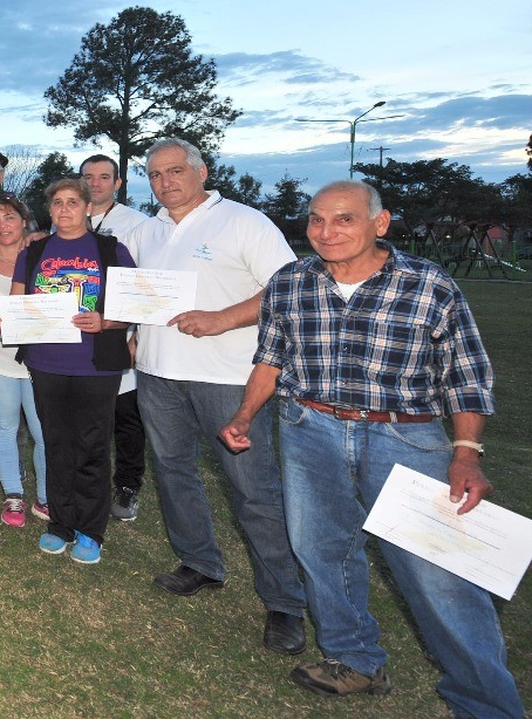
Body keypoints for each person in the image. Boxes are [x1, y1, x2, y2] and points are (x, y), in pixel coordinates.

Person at [219, 181, 523, 715]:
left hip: (404, 437)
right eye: (316, 220)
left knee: (439, 571)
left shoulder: (427, 284)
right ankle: (353, 659)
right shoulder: (291, 282)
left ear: (379, 224)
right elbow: (270, 359)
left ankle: (485, 703)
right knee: (320, 550)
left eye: (344, 220)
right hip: (308, 427)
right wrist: (246, 414)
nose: (326, 232)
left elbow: (466, 376)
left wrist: (467, 451)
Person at [127, 137, 307, 655]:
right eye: (156, 174)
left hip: (228, 376)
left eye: (176, 170)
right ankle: (200, 562)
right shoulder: (148, 230)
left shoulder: (244, 222)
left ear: (202, 171)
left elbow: (287, 287)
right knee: (173, 471)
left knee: (251, 487)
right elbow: (131, 292)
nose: (166, 182)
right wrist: (130, 333)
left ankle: (284, 602)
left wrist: (223, 318)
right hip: (158, 373)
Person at [0, 179, 133, 564]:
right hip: (46, 363)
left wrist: (105, 321)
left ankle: (90, 530)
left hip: (96, 366)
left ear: (89, 207)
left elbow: (134, 310)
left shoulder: (112, 250)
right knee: (56, 444)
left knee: (91, 446)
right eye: (57, 202)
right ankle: (59, 523)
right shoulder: (35, 250)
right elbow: (18, 302)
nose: (64, 209)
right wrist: (1, 314)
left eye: (73, 202)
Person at [0, 192, 48, 528]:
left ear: (24, 220)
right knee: (2, 427)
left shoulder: (46, 256)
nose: (3, 226)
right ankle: (13, 495)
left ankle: (46, 498)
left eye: (10, 218)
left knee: (44, 431)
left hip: (41, 360)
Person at [79, 153, 150, 523]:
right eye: (88, 176)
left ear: (118, 183)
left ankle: (127, 484)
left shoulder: (138, 224)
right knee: (89, 417)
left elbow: (144, 284)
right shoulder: (70, 217)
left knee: (125, 415)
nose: (95, 183)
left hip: (119, 330)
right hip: (76, 332)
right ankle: (86, 481)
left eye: (104, 176)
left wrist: (135, 332)